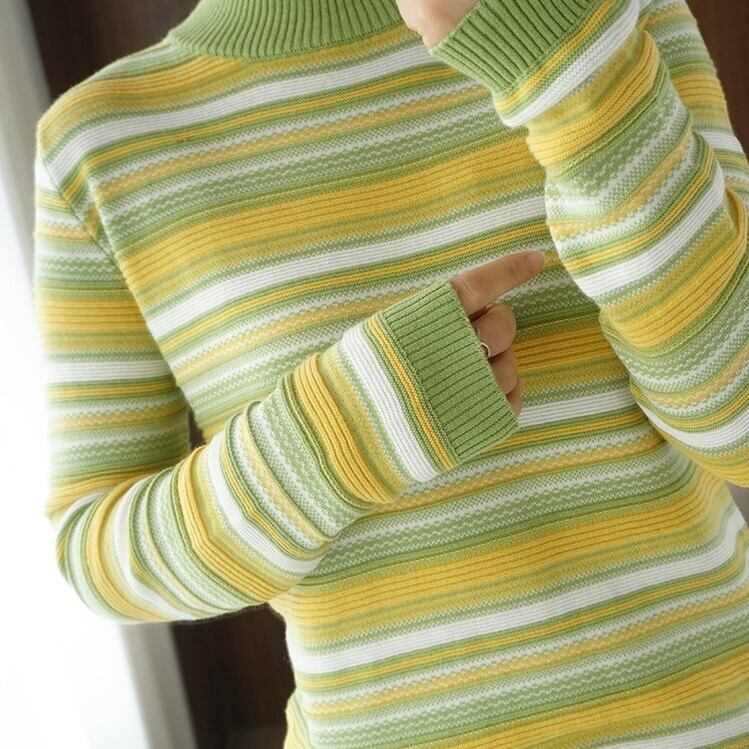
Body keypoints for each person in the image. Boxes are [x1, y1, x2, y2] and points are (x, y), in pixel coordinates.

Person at [32, 0, 749, 746]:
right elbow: (95, 553)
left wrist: (562, 64)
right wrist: (342, 431)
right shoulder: (98, 145)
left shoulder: (605, 15)